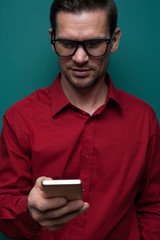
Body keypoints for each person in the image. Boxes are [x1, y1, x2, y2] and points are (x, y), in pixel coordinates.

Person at [0, 0, 160, 239]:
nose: (80, 58)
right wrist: (29, 211)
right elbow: (5, 210)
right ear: (53, 39)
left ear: (114, 41)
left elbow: (154, 205)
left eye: (94, 44)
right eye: (67, 44)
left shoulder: (143, 118)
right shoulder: (19, 117)